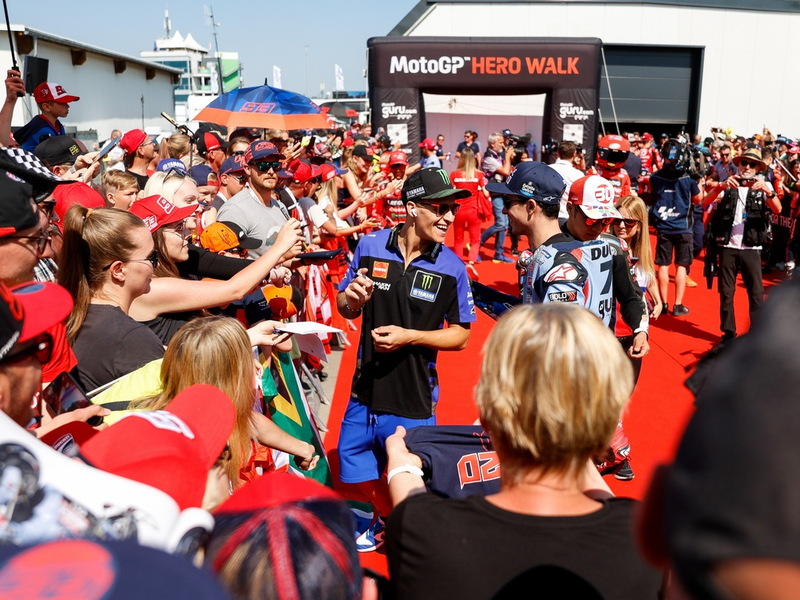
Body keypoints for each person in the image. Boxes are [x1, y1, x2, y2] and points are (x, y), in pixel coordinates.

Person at [384, 303, 662, 600]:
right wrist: (580, 433)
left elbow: (410, 508)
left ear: (489, 412)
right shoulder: (648, 539)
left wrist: (403, 467)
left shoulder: (425, 530)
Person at [336, 167, 475, 552]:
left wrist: (409, 337)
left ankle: (409, 537)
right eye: (439, 208)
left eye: (452, 208)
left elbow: (462, 335)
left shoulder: (452, 268)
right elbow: (344, 304)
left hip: (414, 396)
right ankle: (385, 515)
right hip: (365, 388)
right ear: (411, 208)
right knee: (352, 463)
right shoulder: (369, 246)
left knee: (411, 473)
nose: (449, 217)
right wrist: (353, 299)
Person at [128, 316, 317, 490]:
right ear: (232, 378)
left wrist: (301, 448)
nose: (255, 366)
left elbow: (245, 418)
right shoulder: (208, 452)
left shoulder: (164, 403)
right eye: (248, 360)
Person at [127, 195, 302, 345]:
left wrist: (248, 337)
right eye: (179, 229)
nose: (187, 234)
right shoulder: (152, 287)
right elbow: (234, 290)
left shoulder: (170, 271)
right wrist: (278, 247)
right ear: (154, 239)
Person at [57, 206, 165, 392]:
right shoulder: (131, 338)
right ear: (118, 270)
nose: (156, 264)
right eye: (151, 257)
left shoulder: (72, 314)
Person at [703, 147, 781, 341]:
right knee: (726, 292)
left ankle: (756, 334)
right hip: (728, 245)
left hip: (752, 247)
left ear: (757, 168)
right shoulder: (729, 184)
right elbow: (705, 202)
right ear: (738, 164)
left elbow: (778, 209)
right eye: (744, 163)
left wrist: (768, 192)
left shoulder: (765, 185)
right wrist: (720, 187)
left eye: (751, 164)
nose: (747, 167)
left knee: (756, 293)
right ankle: (728, 332)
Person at [649, 138, 704, 317]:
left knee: (663, 265)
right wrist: (700, 184)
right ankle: (678, 305)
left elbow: (653, 196)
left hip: (664, 226)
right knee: (681, 266)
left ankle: (663, 303)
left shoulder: (655, 177)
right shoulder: (688, 178)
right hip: (683, 227)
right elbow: (698, 200)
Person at [612, 195, 663, 383]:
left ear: (640, 225)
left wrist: (658, 301)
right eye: (616, 220)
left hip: (635, 332)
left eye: (629, 221)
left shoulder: (643, 255)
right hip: (608, 331)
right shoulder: (603, 248)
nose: (621, 226)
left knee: (626, 391)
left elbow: (649, 279)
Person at [217, 141, 290, 259]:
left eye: (276, 165)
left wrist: (302, 261)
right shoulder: (234, 210)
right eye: (263, 166)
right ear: (247, 169)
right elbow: (230, 265)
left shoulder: (280, 206)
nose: (271, 171)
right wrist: (283, 258)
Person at [14, 82, 79, 153]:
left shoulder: (57, 124)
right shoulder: (40, 129)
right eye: (62, 103)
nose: (68, 106)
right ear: (47, 107)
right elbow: (53, 156)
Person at [479, 132, 515, 262]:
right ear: (492, 143)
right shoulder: (489, 158)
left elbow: (509, 170)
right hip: (495, 193)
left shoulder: (497, 155)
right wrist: (507, 157)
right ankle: (478, 243)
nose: (503, 144)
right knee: (501, 223)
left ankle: (498, 254)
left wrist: (509, 157)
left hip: (501, 191)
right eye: (500, 142)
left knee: (505, 225)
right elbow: (505, 171)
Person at [450, 147, 487, 266]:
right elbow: (486, 193)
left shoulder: (454, 174)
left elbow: (450, 192)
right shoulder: (479, 175)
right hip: (473, 210)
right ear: (473, 159)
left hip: (458, 210)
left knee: (458, 239)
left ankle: (459, 261)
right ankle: (471, 261)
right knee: (475, 239)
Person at [547, 140, 586, 223]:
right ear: (574, 154)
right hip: (567, 217)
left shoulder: (547, 169)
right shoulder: (578, 174)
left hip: (547, 217)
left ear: (558, 153)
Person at [587, 134, 632, 199]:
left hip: (616, 207)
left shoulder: (624, 174)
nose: (613, 159)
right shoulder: (593, 172)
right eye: (609, 155)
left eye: (618, 156)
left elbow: (626, 197)